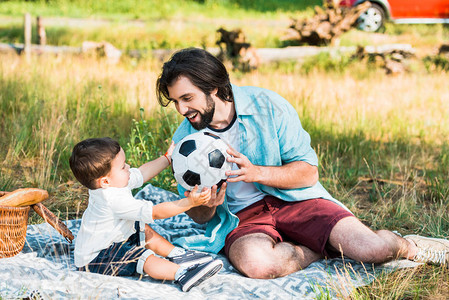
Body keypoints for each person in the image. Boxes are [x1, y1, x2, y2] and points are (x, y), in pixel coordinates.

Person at [156, 48, 449, 279]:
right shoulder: (185, 140)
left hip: (296, 200)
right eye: (176, 102)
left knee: (371, 248)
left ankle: (410, 245)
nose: (182, 110)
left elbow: (308, 174)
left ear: (215, 87)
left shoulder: (268, 106)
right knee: (258, 265)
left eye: (187, 98)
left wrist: (257, 172)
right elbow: (200, 218)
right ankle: (321, 249)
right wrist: (206, 204)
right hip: (243, 218)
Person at [69, 137, 223, 292]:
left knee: (140, 226)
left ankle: (177, 254)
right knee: (141, 256)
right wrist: (189, 203)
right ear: (105, 182)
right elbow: (155, 212)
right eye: (123, 167)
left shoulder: (113, 182)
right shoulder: (111, 199)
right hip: (96, 259)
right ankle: (181, 274)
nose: (128, 167)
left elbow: (142, 173)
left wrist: (166, 159)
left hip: (113, 240)